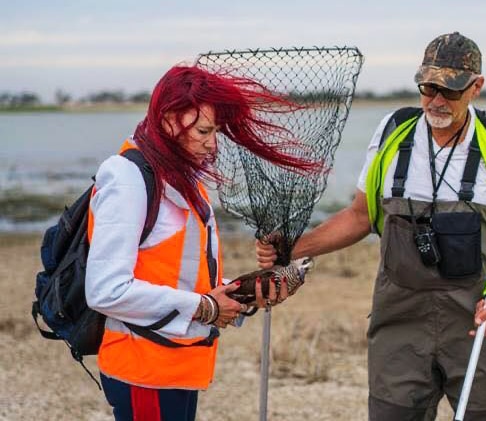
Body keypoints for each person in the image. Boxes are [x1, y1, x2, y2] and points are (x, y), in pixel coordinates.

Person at [256, 32, 486, 420]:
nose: (437, 100)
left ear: (476, 87)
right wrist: (294, 249)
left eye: (452, 89)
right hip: (400, 320)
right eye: (429, 87)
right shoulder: (393, 132)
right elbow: (360, 216)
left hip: (481, 315)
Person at [85, 64, 318, 420]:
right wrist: (206, 307)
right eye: (204, 131)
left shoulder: (180, 178)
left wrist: (237, 293)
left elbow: (183, 278)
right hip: (144, 370)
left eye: (215, 131)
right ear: (167, 121)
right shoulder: (129, 179)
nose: (212, 143)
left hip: (179, 364)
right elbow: (105, 291)